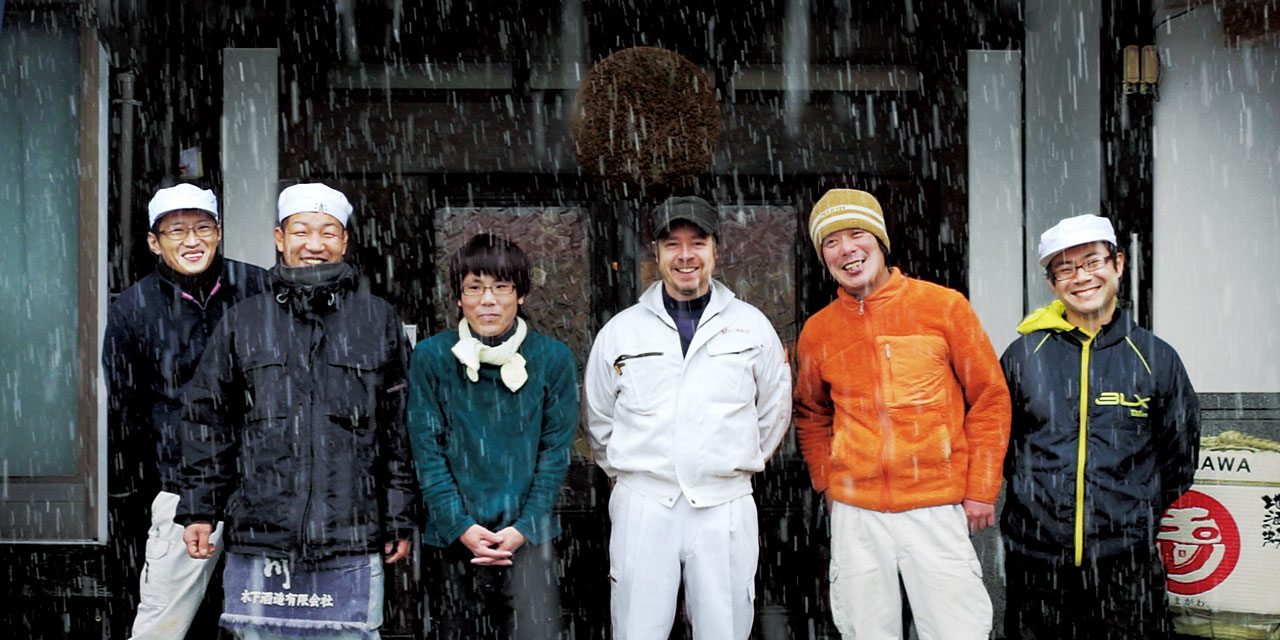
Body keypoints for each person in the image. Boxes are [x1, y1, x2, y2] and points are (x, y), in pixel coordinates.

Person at [176, 183, 418, 639]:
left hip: (350, 533)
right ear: (279, 238)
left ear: (344, 241)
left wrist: (398, 515)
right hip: (261, 532)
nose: (314, 244)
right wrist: (199, 509)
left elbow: (398, 428)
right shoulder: (245, 319)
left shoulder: (377, 318)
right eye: (302, 231)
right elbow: (209, 419)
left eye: (328, 232)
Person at [793, 188, 1011, 639]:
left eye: (857, 234)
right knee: (865, 631)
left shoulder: (944, 306)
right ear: (823, 256)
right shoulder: (818, 331)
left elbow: (990, 398)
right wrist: (827, 483)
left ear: (880, 240)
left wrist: (982, 488)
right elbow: (810, 412)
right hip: (856, 512)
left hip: (936, 504)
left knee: (958, 631)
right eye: (831, 241)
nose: (846, 249)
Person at [584, 195, 792, 640]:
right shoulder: (621, 331)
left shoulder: (752, 327)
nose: (685, 255)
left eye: (697, 242)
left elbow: (774, 411)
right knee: (638, 629)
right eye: (671, 244)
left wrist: (728, 459)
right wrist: (631, 471)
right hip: (645, 501)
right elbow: (599, 419)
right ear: (655, 253)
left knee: (725, 628)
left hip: (724, 501)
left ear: (716, 249)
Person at [1000, 214, 1200, 640]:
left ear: (1118, 264)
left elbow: (1179, 455)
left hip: (1126, 562)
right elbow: (1001, 446)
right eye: (1065, 268)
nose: (1081, 277)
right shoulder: (1024, 356)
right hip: (1037, 560)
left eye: (1093, 262)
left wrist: (1132, 514)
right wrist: (1038, 511)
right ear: (1052, 283)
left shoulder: (1155, 357)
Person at [102, 183, 267, 639]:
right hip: (182, 485)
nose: (191, 240)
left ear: (219, 233)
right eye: (176, 231)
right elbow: (126, 404)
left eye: (202, 228)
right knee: (163, 621)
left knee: (268, 617)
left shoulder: (258, 288)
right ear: (154, 242)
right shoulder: (133, 307)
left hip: (264, 482)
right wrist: (166, 463)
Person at [407, 234, 579, 639]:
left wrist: (523, 528)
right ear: (458, 297)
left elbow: (554, 453)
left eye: (501, 287)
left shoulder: (552, 359)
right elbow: (427, 451)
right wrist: (461, 526)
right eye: (474, 287)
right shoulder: (431, 357)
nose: (488, 300)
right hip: (452, 540)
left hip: (529, 538)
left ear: (520, 294)